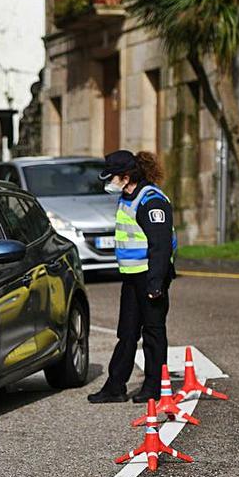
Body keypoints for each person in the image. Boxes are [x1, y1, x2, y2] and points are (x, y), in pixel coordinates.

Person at [88, 150, 177, 404]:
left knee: (153, 332)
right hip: (131, 276)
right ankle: (115, 387)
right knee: (127, 333)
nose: (109, 182)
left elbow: (160, 246)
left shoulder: (151, 201)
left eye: (112, 177)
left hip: (150, 276)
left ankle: (154, 387)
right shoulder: (128, 198)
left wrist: (156, 284)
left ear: (126, 177)